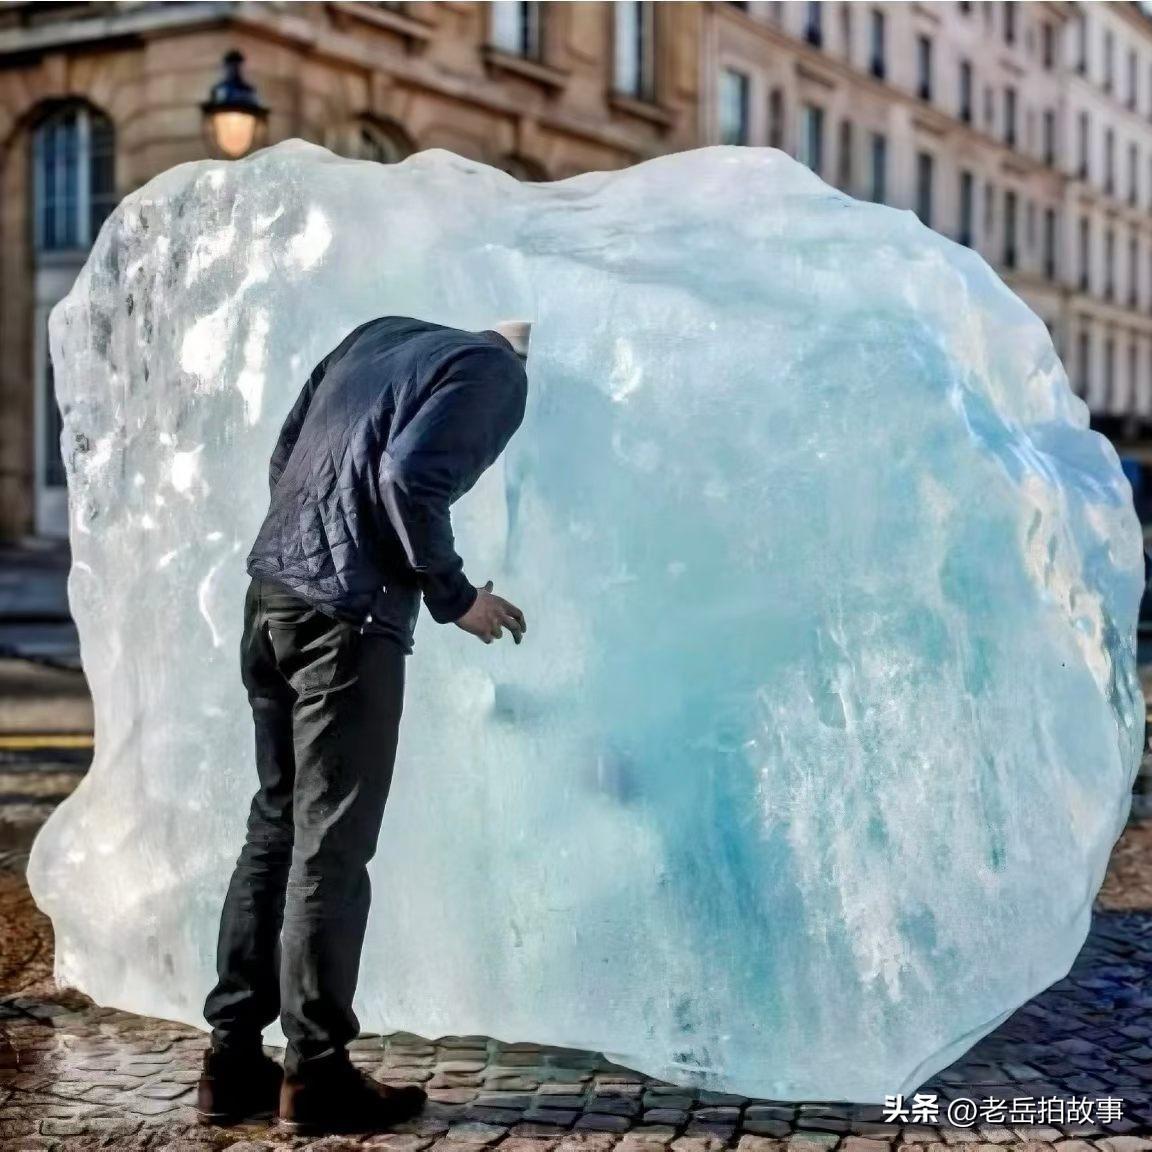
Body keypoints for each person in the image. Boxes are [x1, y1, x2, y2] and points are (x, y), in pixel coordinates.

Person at [197, 315, 531, 1136]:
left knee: (274, 825)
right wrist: (458, 599)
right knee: (331, 844)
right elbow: (409, 476)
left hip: (271, 593)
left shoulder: (376, 337)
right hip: (348, 616)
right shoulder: (497, 372)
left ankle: (231, 1058)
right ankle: (316, 1075)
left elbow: (286, 454)